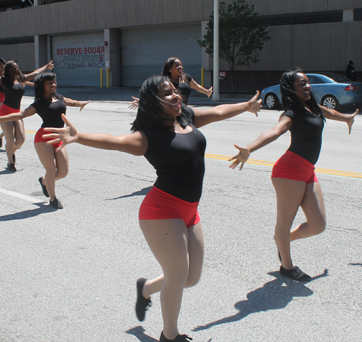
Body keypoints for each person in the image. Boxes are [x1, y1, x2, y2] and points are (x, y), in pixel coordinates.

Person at [43, 75, 260, 341]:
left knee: (190, 278)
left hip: (190, 210)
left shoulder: (185, 117)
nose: (176, 96)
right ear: (153, 102)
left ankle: (145, 288)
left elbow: (217, 111)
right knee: (178, 275)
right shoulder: (147, 136)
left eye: (175, 91)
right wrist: (79, 136)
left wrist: (245, 106)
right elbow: (114, 141)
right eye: (167, 94)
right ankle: (170, 336)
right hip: (161, 211)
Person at [229, 68, 357, 282]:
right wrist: (249, 149)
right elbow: (274, 131)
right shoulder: (290, 114)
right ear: (291, 89)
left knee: (318, 225)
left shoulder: (312, 106)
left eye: (307, 83)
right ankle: (286, 266)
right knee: (284, 222)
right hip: (289, 172)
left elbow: (328, 112)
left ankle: (283, 240)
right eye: (302, 84)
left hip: (307, 170)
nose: (307, 86)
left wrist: (346, 118)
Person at [0, 71, 90, 209]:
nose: (53, 85)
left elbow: (72, 102)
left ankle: (44, 181)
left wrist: (81, 103)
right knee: (51, 169)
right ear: (42, 85)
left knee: (63, 172)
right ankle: (53, 198)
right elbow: (21, 114)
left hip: (59, 137)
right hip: (43, 138)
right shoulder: (39, 104)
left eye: (54, 82)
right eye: (49, 83)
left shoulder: (59, 98)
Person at [129, 57, 213, 109]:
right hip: (168, 113)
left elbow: (196, 86)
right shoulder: (164, 81)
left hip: (183, 111)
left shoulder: (185, 77)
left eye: (181, 65)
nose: (180, 67)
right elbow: (154, 95)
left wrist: (207, 92)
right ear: (170, 69)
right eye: (176, 66)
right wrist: (142, 101)